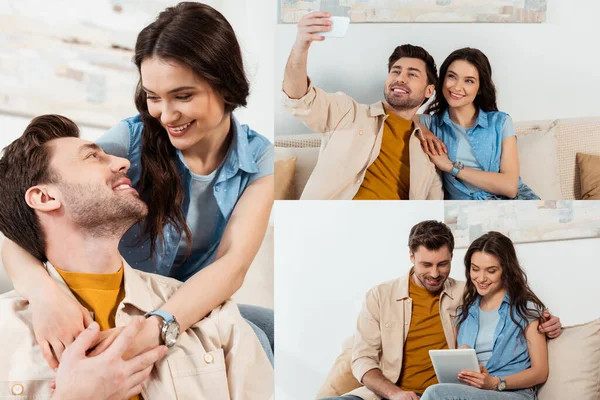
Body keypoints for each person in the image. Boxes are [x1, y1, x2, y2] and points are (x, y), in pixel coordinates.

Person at [1, 1, 275, 370]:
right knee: (257, 336)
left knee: (267, 328)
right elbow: (18, 216)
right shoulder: (129, 142)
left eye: (183, 95)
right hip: (119, 295)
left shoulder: (259, 160)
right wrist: (45, 295)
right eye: (153, 96)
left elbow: (232, 263)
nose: (166, 114)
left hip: (181, 301)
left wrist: (159, 325)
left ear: (225, 84)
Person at [0, 114, 273, 399]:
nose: (123, 162)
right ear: (44, 198)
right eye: (93, 156)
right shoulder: (6, 330)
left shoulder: (214, 319)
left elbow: (234, 262)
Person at [320, 221, 559, 400]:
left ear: (452, 258)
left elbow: (516, 306)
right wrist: (394, 394)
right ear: (411, 256)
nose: (435, 274)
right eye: (426, 264)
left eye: (442, 264)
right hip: (390, 394)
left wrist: (549, 322)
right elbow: (362, 359)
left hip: (444, 393)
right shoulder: (380, 296)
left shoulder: (466, 294)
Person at [281, 11, 445, 200]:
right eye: (395, 71)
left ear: (429, 91)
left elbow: (432, 208)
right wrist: (300, 47)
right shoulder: (349, 112)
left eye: (412, 74)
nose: (400, 78)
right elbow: (298, 99)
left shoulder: (428, 151)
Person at [421, 231, 548, 399]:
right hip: (474, 393)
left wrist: (496, 382)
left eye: (491, 270)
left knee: (434, 393)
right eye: (475, 269)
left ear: (506, 270)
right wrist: (462, 356)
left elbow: (540, 372)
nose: (481, 278)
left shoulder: (525, 310)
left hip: (513, 394)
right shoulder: (465, 312)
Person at [417, 48, 539, 200]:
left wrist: (450, 167)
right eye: (452, 77)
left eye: (468, 81)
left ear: (480, 87)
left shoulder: (500, 123)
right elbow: (394, 113)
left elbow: (510, 187)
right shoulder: (431, 124)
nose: (456, 87)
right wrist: (425, 131)